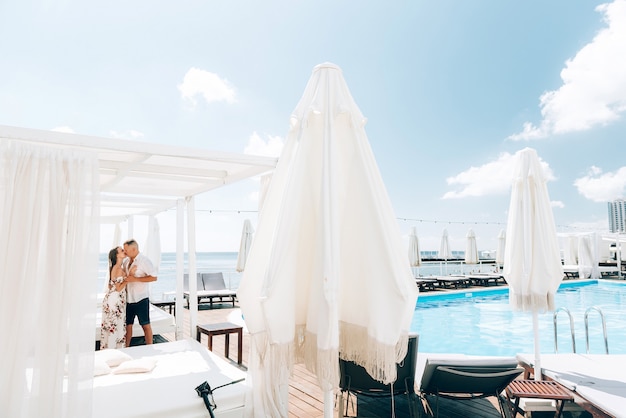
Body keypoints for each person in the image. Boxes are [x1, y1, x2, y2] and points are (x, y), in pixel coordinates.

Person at [123, 239, 158, 346]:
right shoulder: (125, 261)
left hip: (141, 298)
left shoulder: (144, 261)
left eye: (126, 250)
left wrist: (135, 279)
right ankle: (126, 348)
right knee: (128, 326)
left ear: (134, 249)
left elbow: (154, 277)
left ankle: (149, 347)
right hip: (128, 299)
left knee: (145, 325)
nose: (124, 252)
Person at [100, 246, 128, 349]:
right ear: (117, 255)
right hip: (115, 300)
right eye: (121, 250)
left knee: (115, 325)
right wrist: (128, 279)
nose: (124, 251)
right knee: (115, 325)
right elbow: (118, 288)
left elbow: (111, 285)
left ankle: (113, 349)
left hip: (116, 299)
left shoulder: (117, 267)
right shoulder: (117, 268)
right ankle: (113, 350)